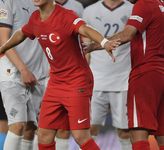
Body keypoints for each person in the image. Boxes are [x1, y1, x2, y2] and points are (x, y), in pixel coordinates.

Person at [0, 0, 120, 150]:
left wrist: (104, 42)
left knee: (80, 136)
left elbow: (86, 29)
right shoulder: (35, 18)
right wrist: (3, 48)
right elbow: (21, 33)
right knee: (43, 135)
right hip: (55, 82)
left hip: (77, 81)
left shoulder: (66, 15)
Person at [83, 0, 164, 149]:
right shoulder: (160, 5)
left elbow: (127, 34)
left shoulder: (143, 4)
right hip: (159, 72)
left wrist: (96, 45)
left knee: (137, 132)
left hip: (144, 74)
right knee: (161, 135)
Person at [0, 0, 49, 150]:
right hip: (13, 74)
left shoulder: (45, 3)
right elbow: (3, 40)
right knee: (18, 125)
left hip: (38, 75)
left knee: (31, 129)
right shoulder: (9, 2)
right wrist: (23, 70)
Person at [82, 0, 133, 149]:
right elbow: (86, 46)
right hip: (96, 79)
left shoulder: (133, 9)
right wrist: (84, 75)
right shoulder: (89, 11)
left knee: (125, 132)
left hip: (124, 79)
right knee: (89, 128)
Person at [53, 0, 84, 150]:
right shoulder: (39, 6)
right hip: (46, 74)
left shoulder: (77, 7)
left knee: (65, 129)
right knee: (42, 129)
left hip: (71, 76)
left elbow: (84, 35)